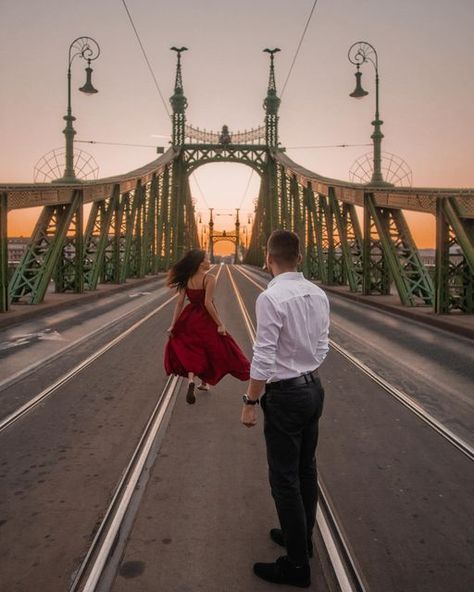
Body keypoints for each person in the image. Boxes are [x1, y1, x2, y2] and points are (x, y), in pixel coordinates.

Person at [241, 230, 329, 588]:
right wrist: (305, 365)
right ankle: (301, 539)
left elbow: (263, 356)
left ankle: (295, 566)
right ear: (300, 257)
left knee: (284, 479)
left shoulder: (271, 297)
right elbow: (323, 343)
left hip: (286, 396)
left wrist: (249, 401)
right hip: (313, 388)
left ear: (267, 256)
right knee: (306, 470)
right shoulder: (318, 293)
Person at [164, 249, 250, 403]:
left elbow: (179, 303)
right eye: (206, 258)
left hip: (188, 317)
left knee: (193, 349)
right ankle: (243, 371)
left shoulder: (186, 279)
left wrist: (173, 325)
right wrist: (220, 323)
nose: (209, 260)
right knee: (212, 347)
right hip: (204, 317)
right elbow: (207, 303)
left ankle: (194, 381)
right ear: (200, 262)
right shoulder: (209, 278)